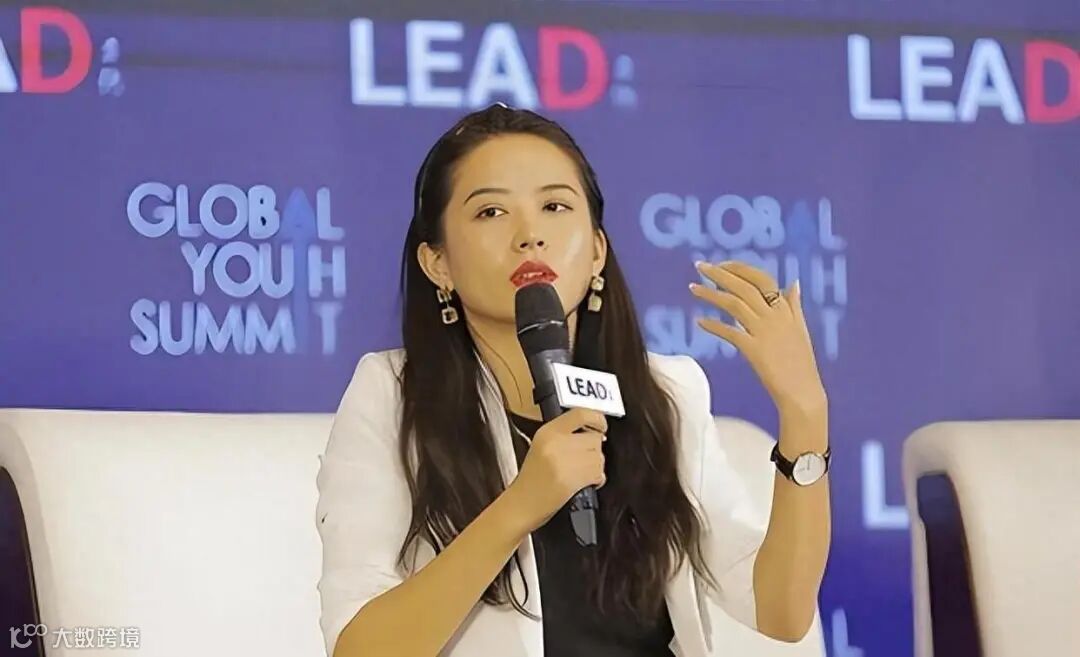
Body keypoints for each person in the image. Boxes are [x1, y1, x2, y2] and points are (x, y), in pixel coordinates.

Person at [315, 104, 832, 657]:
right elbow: (360, 649)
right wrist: (521, 504)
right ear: (437, 263)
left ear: (597, 251)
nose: (530, 236)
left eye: (555, 206)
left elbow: (780, 611)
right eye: (491, 212)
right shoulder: (393, 396)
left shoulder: (667, 394)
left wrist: (805, 413)